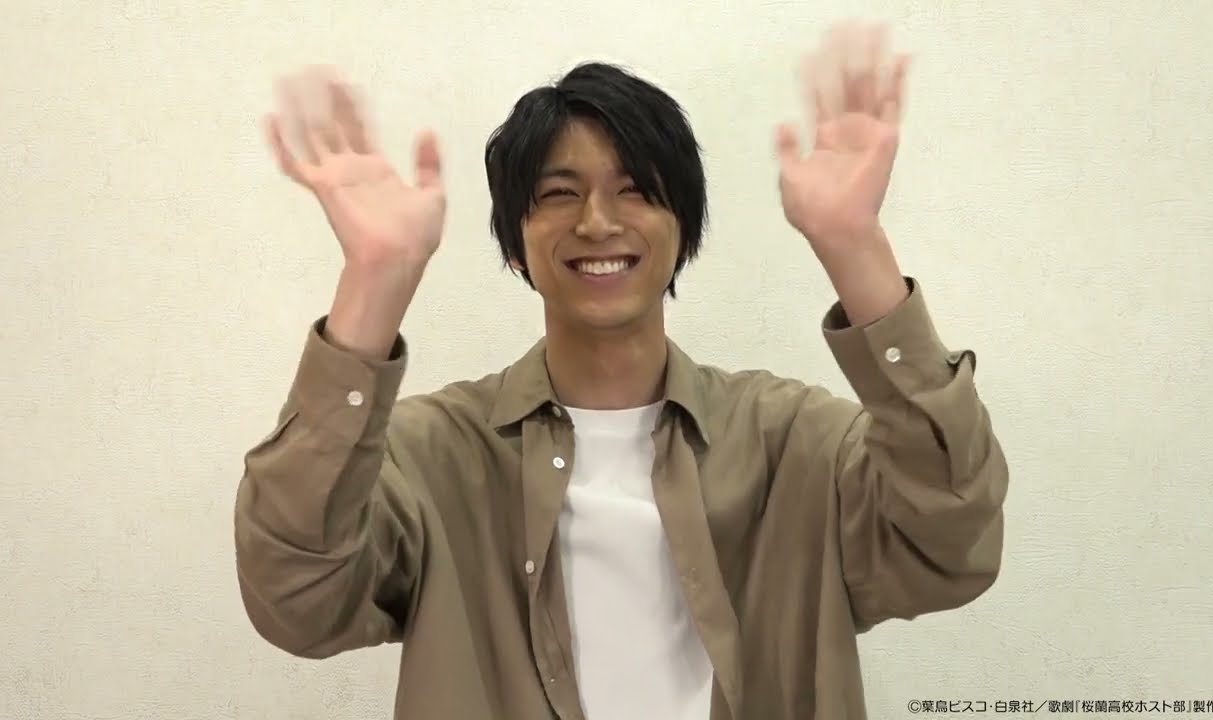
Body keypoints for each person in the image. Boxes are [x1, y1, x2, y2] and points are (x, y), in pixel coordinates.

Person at [233, 19, 1009, 720]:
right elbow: (298, 600)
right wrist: (373, 281)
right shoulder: (432, 456)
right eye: (558, 194)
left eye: (635, 191)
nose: (597, 222)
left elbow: (951, 542)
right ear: (515, 243)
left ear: (683, 229)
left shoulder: (793, 442)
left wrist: (855, 247)